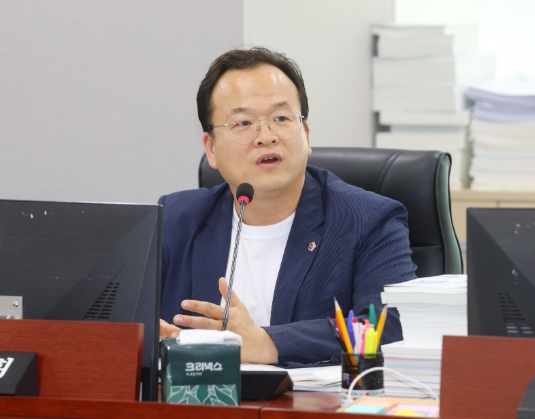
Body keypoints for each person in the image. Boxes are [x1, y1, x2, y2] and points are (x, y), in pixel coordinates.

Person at [158, 47, 417, 365]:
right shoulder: (174, 219)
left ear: (305, 134)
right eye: (243, 123)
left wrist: (269, 344)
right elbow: (126, 317)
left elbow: (391, 326)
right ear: (210, 148)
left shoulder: (369, 220)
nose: (265, 137)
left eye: (280, 118)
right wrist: (145, 338)